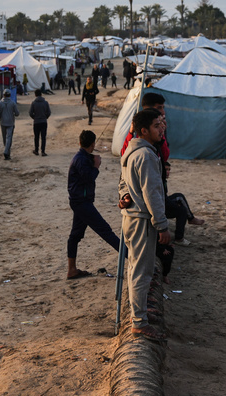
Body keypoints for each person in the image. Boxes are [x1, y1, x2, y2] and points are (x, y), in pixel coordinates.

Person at [118, 108, 171, 342]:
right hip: (141, 221)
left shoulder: (132, 151)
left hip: (131, 218)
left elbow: (123, 182)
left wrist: (124, 195)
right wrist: (162, 226)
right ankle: (139, 323)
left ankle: (139, 315)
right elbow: (152, 194)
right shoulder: (146, 155)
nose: (162, 129)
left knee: (135, 269)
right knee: (141, 271)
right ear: (143, 131)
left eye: (162, 124)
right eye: (157, 126)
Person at [67, 129, 120, 279]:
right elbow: (88, 178)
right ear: (93, 144)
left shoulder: (82, 157)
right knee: (105, 230)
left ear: (79, 142)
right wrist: (96, 166)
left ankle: (72, 270)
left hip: (79, 201)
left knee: (75, 235)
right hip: (81, 203)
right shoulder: (81, 159)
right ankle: (130, 256)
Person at [163, 161, 205, 245]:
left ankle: (191, 219)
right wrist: (176, 206)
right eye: (166, 170)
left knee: (179, 196)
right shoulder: (159, 181)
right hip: (158, 208)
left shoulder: (162, 180)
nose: (168, 172)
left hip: (162, 203)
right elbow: (163, 200)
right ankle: (179, 238)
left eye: (169, 170)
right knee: (182, 210)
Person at [0, 91, 19, 160]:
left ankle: (7, 154)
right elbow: (17, 113)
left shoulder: (0, 103)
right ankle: (6, 152)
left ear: (3, 95)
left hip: (3, 123)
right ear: (10, 95)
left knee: (5, 139)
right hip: (10, 123)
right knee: (9, 138)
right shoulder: (13, 103)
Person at [29, 89, 51, 156]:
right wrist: (45, 117)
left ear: (35, 95)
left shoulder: (34, 103)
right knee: (43, 137)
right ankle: (43, 151)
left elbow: (30, 113)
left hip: (36, 122)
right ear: (41, 94)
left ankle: (36, 150)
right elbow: (49, 112)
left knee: (36, 137)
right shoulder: (45, 102)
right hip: (44, 122)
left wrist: (34, 117)